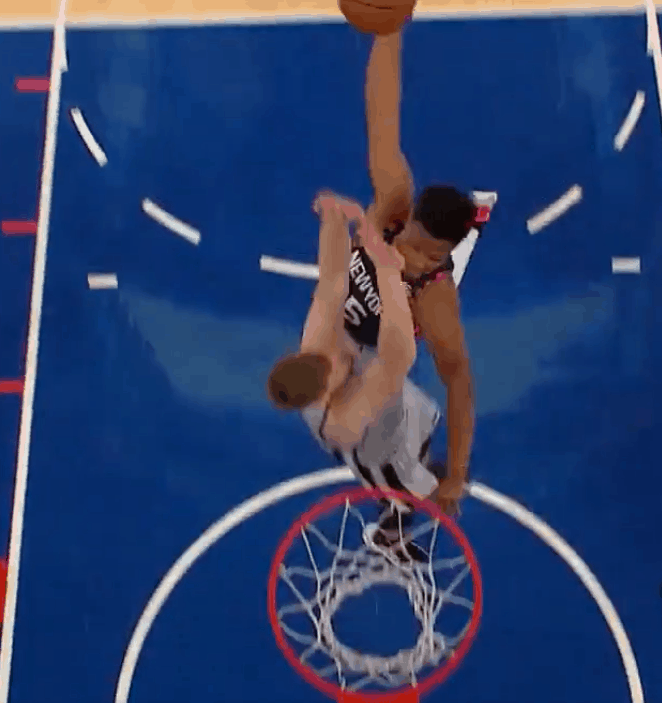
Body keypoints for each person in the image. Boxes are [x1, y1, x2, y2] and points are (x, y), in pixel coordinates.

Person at [340, 29, 492, 509]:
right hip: (339, 329)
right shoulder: (394, 203)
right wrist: (389, 32)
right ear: (409, 220)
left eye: (429, 256)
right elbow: (382, 115)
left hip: (371, 354)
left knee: (386, 445)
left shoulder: (434, 296)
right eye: (413, 246)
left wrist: (457, 474)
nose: (412, 259)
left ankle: (399, 513)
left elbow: (459, 384)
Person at [267, 192, 451, 521]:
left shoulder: (315, 344)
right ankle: (395, 523)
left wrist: (333, 219)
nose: (336, 359)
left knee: (414, 422)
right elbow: (398, 356)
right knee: (406, 486)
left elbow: (332, 282)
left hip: (379, 399)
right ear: (324, 392)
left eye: (326, 359)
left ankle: (418, 473)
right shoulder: (342, 422)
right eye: (332, 369)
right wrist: (387, 271)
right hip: (377, 446)